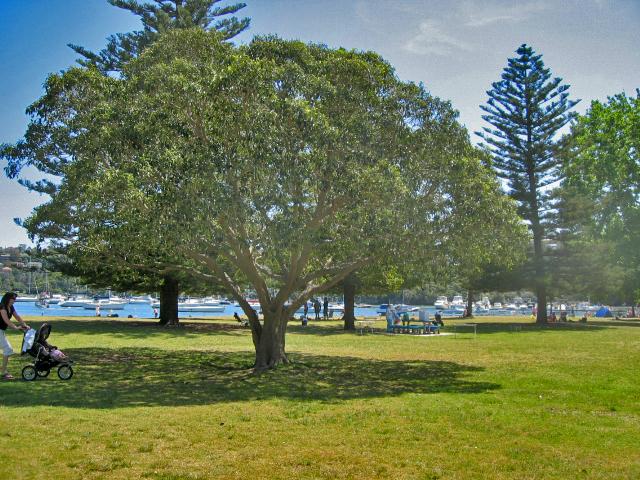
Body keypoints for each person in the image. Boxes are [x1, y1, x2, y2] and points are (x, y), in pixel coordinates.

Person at [0, 292, 30, 380]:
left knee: (6, 349)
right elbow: (7, 321)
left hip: (1, 331)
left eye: (15, 299)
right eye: (13, 299)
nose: (14, 301)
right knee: (8, 349)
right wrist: (16, 327)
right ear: (8, 299)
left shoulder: (11, 307)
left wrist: (24, 325)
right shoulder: (2, 307)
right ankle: (4, 372)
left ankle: (3, 370)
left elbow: (17, 317)